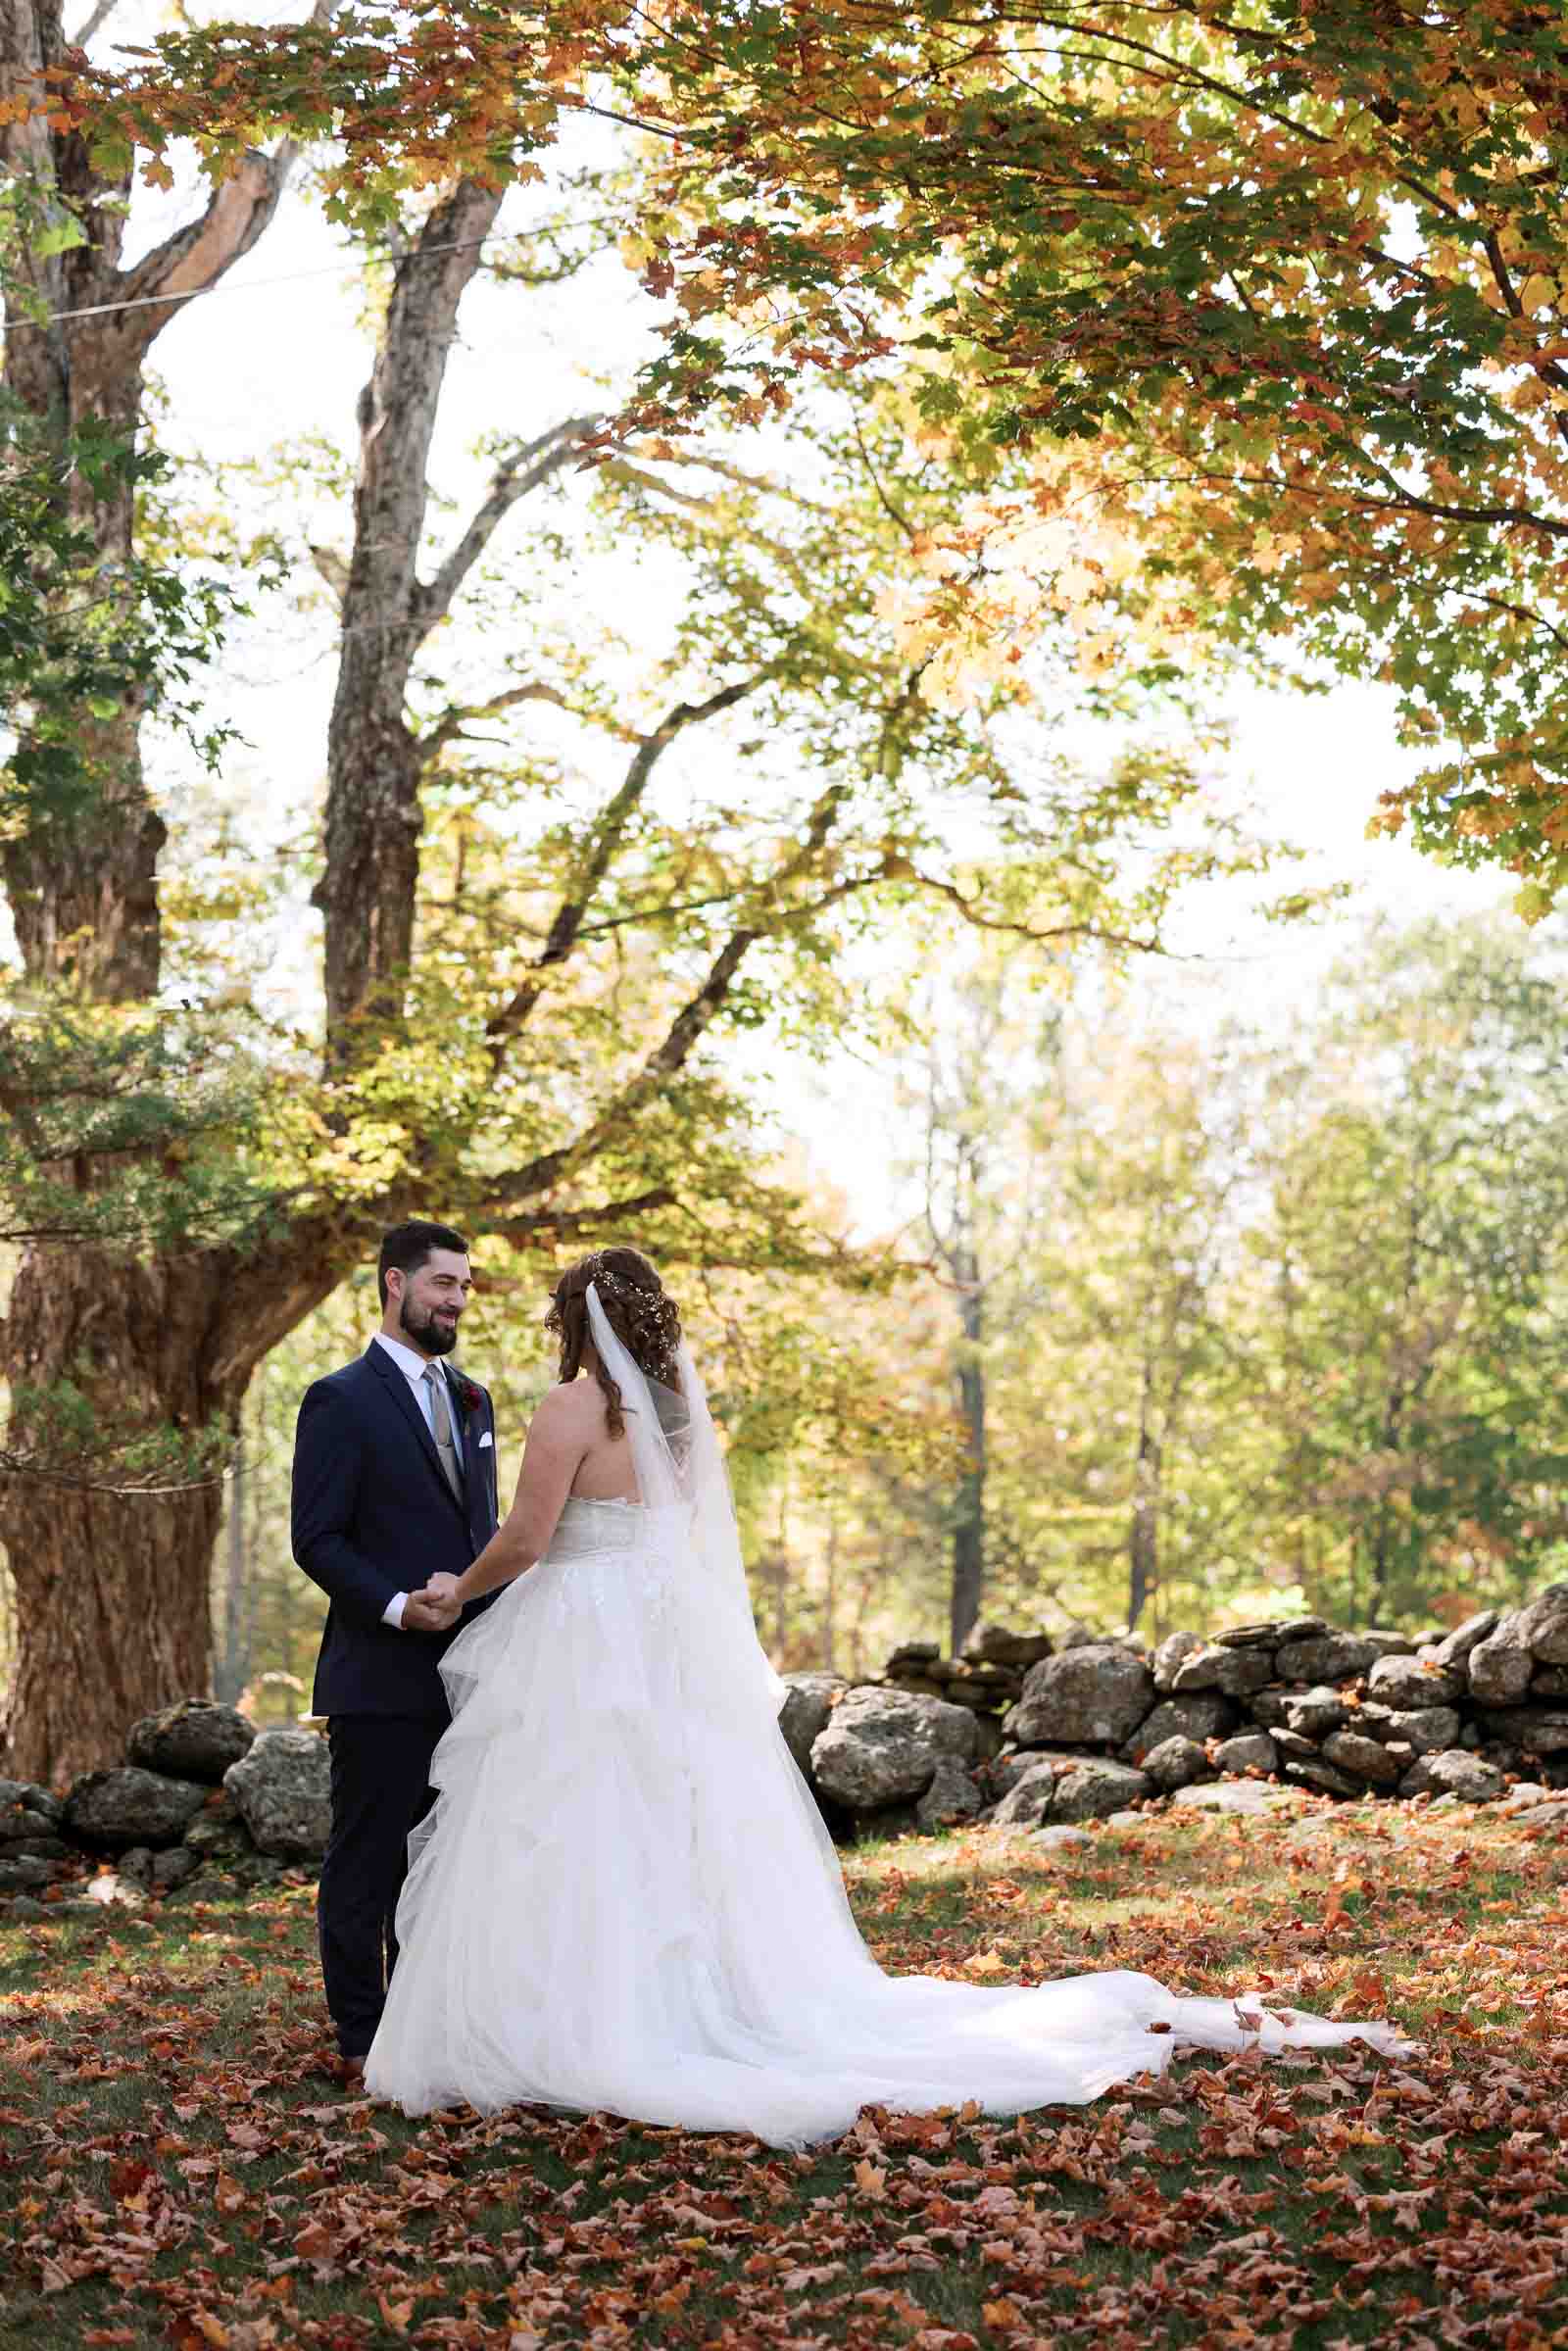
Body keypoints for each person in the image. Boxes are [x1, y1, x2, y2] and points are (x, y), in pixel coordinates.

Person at [366, 1246, 1408, 2146]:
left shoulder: (571, 1406)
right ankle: (690, 1997)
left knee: (573, 1819)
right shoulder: (676, 1418)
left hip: (586, 1631)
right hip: (656, 1636)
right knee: (668, 1823)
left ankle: (584, 2017)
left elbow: (530, 1537)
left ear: (573, 1319)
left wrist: (460, 1589)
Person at [291, 1219, 499, 2083]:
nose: (456, 1299)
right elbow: (317, 1538)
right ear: (394, 1284)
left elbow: (483, 1530)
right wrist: (393, 1605)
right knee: (367, 1862)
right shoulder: (339, 1398)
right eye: (443, 1283)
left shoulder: (476, 1397)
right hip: (377, 1675)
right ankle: (361, 2040)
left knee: (440, 1864)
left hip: (468, 1678)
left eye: (464, 1286)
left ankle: (422, 2028)